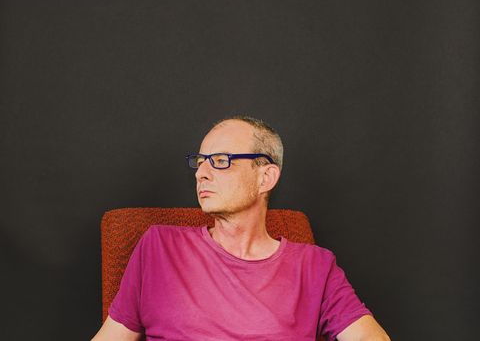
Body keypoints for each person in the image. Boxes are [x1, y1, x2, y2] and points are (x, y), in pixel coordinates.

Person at [91, 116, 391, 341]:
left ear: (266, 177)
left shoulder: (315, 266)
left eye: (221, 161)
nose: (202, 174)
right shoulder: (159, 246)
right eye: (200, 162)